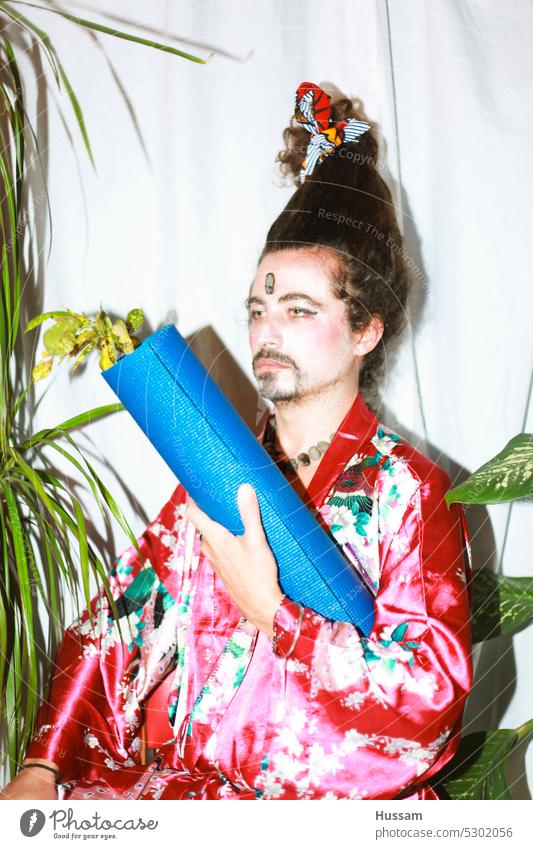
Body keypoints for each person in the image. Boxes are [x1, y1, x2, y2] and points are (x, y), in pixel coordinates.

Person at [1, 81, 472, 801]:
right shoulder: (214, 469)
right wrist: (42, 764)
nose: (265, 331)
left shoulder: (411, 494)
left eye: (297, 308)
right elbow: (111, 633)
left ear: (365, 329)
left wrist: (276, 614)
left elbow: (428, 700)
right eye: (257, 307)